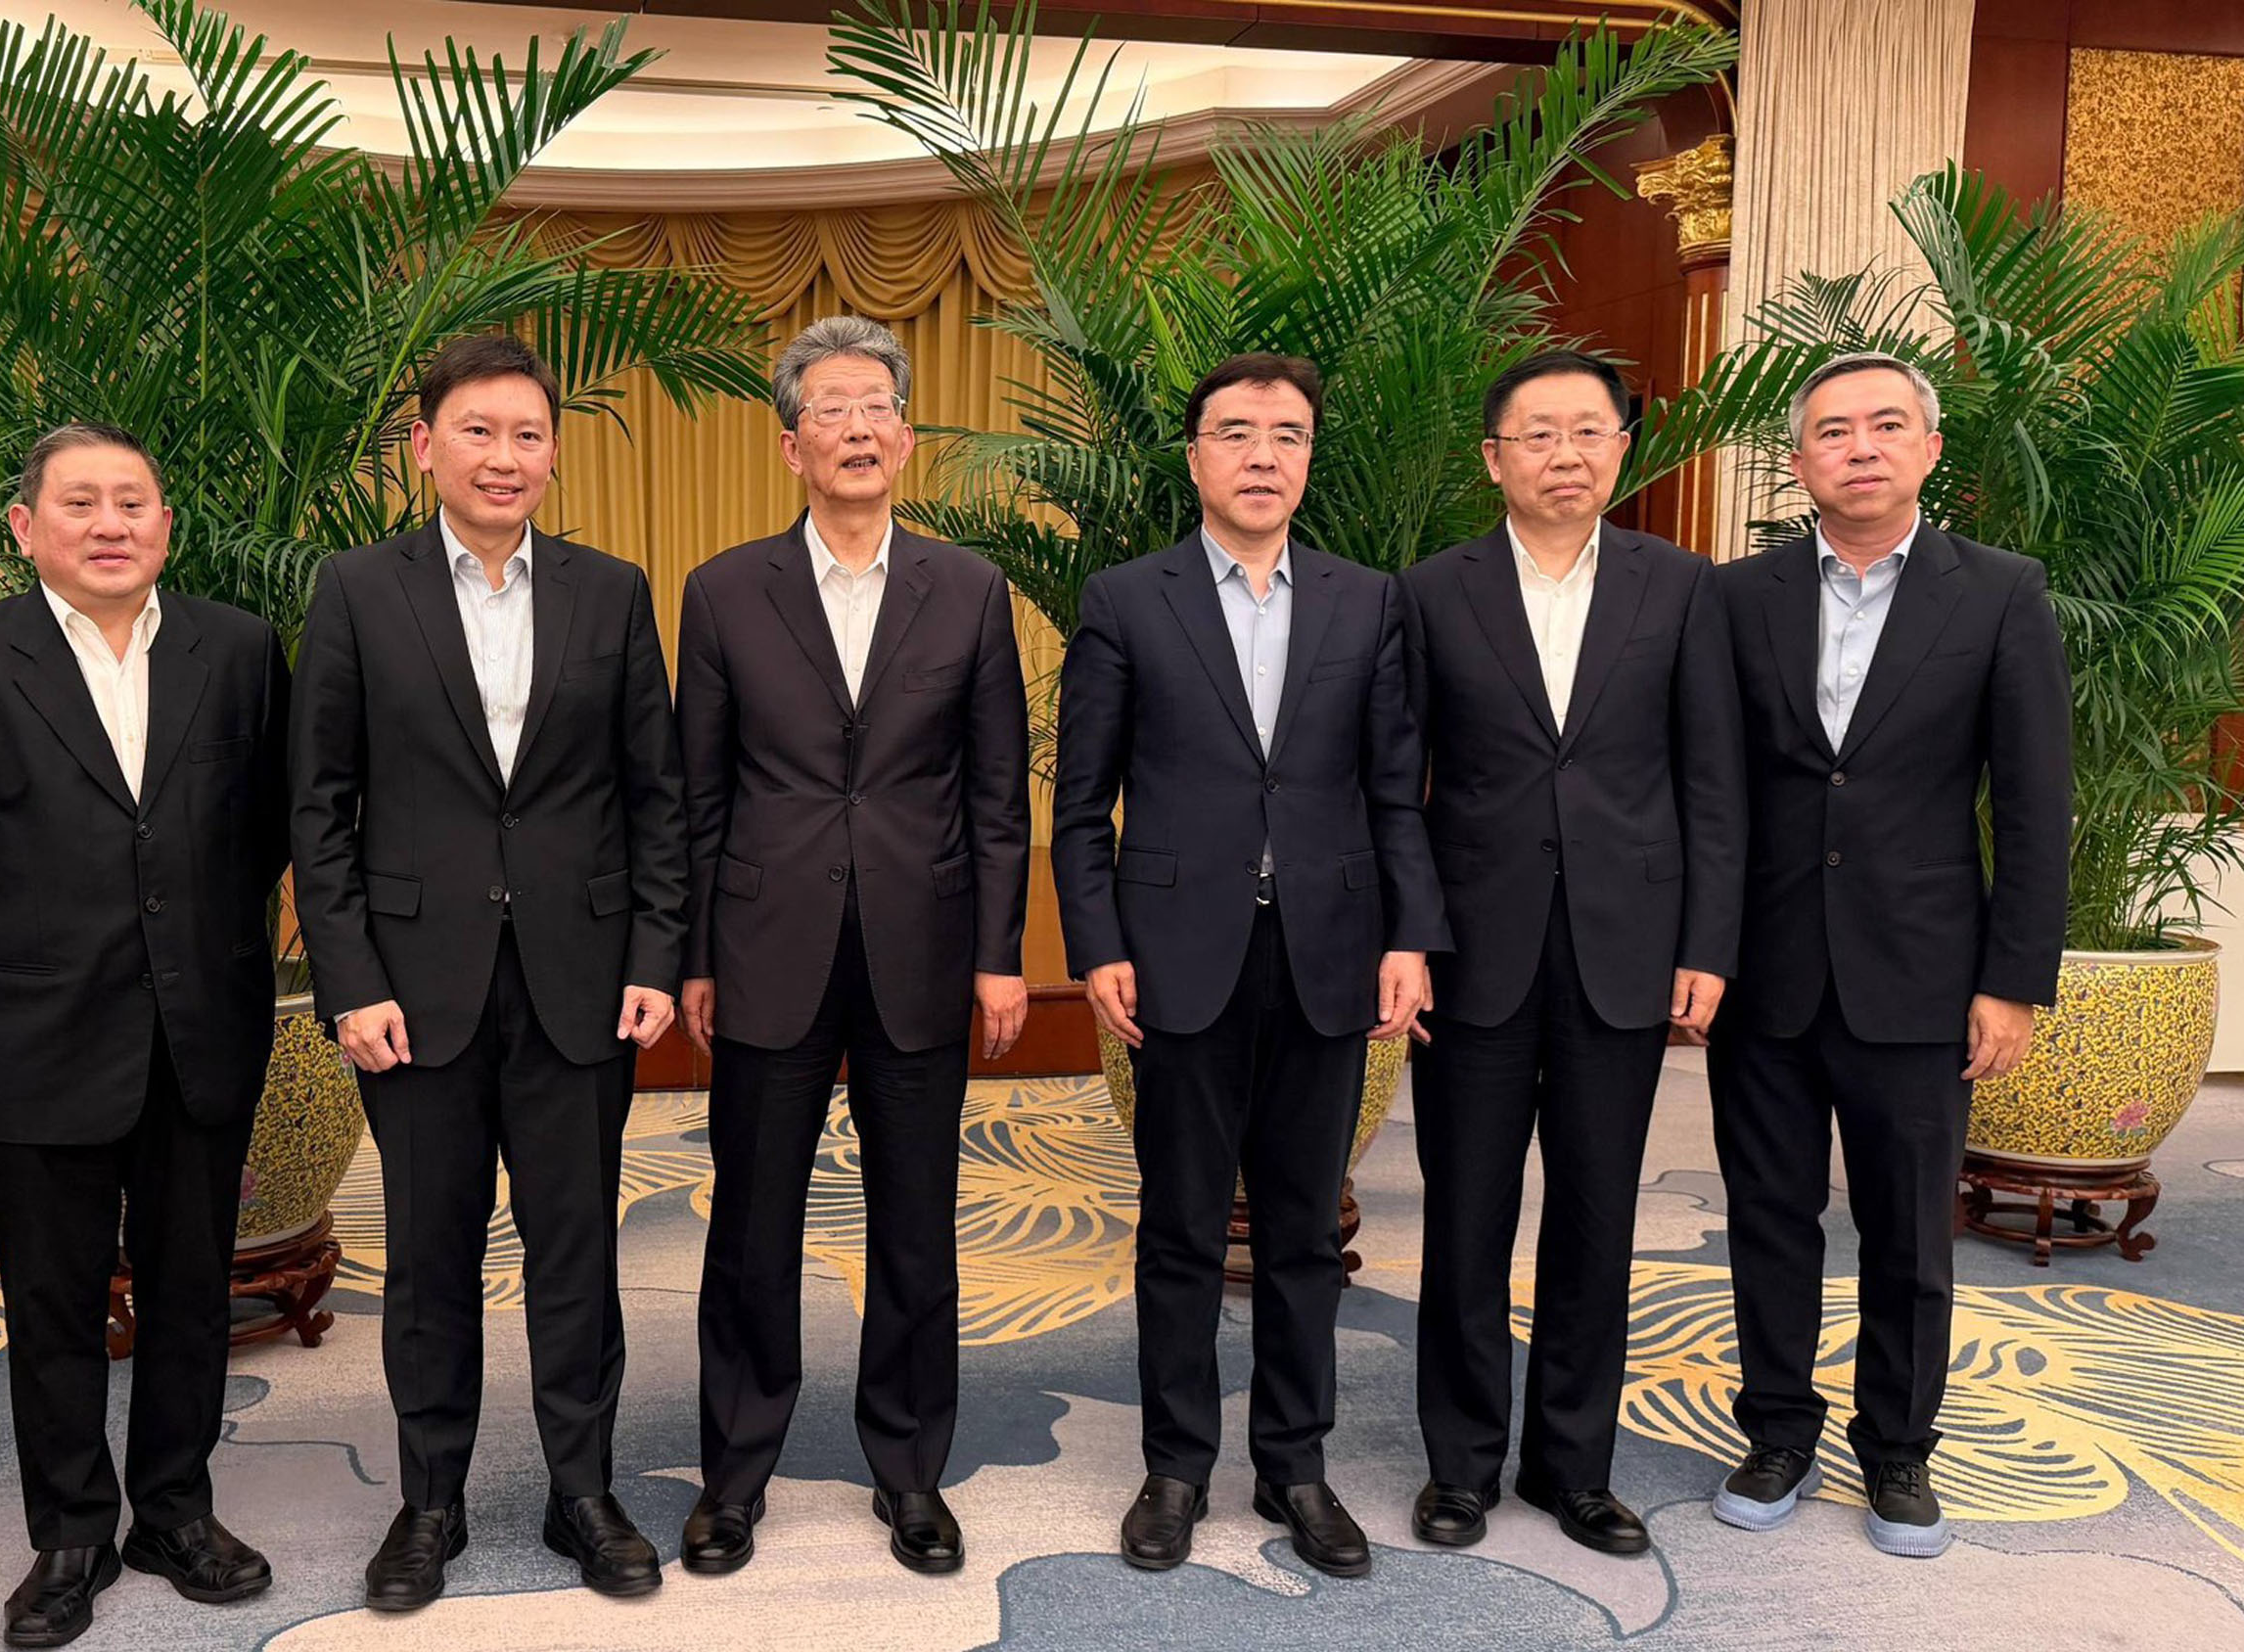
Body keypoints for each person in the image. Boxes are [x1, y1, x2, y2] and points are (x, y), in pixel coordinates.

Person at [289, 334, 691, 1610]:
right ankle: (430, 1503)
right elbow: (323, 807)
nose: (503, 456)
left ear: (553, 453)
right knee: (430, 1255)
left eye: (527, 434)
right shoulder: (357, 590)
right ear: (425, 445)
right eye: (477, 430)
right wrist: (349, 979)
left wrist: (655, 956)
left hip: (582, 978)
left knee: (577, 1253)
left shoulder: (612, 592)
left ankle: (584, 1492)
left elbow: (656, 798)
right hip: (414, 987)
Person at [0, 423, 292, 1645]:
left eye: (133, 500)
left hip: (202, 1027)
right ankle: (70, 1528)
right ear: (26, 527)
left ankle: (175, 1506)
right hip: (36, 1031)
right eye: (81, 502)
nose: (110, 522)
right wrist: (33, 963)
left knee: (190, 1288)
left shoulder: (240, 649)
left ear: (166, 523)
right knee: (50, 1297)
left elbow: (262, 828)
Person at [1050, 352, 1443, 1580]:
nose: (1263, 454)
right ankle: (1176, 1464)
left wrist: (1408, 934)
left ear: (1309, 455)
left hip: (1328, 950)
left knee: (1303, 1230)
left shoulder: (1367, 601)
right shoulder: (1126, 599)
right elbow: (1080, 803)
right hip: (1175, 956)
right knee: (1177, 1223)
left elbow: (1396, 791)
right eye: (1236, 433)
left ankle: (1297, 1463)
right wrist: (1097, 942)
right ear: (1195, 457)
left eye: (1287, 433)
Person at [672, 316, 1031, 1578]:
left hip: (924, 949)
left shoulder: (971, 588)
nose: (859, 427)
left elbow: (1000, 792)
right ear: (791, 443)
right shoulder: (721, 590)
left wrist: (1002, 955)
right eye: (831, 408)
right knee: (752, 1226)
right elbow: (698, 794)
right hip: (767, 946)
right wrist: (697, 955)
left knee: (916, 1225)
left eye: (877, 405)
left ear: (909, 437)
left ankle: (911, 1469)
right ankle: (734, 1472)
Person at [1709, 351, 2071, 1559]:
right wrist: (1702, 952)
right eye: (1830, 431)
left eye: (1884, 426)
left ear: (1927, 447)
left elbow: (2031, 800)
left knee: (1912, 1229)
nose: (1858, 447)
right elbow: (1713, 792)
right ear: (1798, 460)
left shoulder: (2001, 593)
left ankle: (1899, 1446)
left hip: (1923, 970)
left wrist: (2014, 976)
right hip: (1766, 966)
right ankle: (1775, 1426)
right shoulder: (1739, 595)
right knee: (1769, 1213)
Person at [1397, 350, 1743, 1556]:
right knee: (1466, 1215)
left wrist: (1706, 941)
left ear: (1621, 448)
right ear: (1494, 457)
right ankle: (1459, 1466)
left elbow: (1713, 780)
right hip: (1472, 955)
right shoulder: (1431, 592)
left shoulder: (1682, 587)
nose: (1565, 454)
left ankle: (1573, 1467)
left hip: (1625, 951)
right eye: (1537, 434)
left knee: (1598, 1213)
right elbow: (1399, 786)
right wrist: (1412, 936)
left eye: (1588, 431)